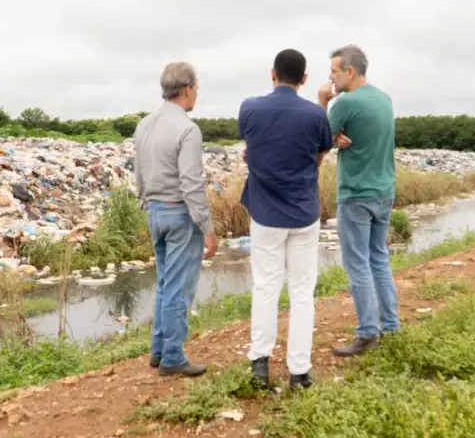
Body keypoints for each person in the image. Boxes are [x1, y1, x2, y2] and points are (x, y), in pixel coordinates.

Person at [239, 49, 333, 389]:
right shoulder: (315, 115)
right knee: (302, 292)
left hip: (265, 214)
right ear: (304, 79)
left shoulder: (250, 107)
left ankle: (260, 364)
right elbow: (319, 156)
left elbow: (252, 146)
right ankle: (299, 372)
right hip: (304, 213)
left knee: (266, 287)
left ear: (272, 73)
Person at [133, 62, 219, 377]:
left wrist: (147, 201)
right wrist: (208, 229)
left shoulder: (144, 125)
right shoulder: (187, 129)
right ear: (186, 89)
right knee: (178, 289)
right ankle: (172, 357)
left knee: (166, 284)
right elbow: (192, 184)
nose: (197, 94)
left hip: (154, 210)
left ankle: (158, 350)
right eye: (196, 88)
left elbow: (138, 172)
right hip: (180, 213)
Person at [317, 45, 399, 357]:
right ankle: (390, 324)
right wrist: (338, 138)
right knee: (379, 258)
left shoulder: (345, 102)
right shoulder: (383, 98)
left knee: (357, 264)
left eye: (334, 71)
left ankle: (367, 333)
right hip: (384, 191)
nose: (331, 77)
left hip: (356, 194)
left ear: (349, 72)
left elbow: (318, 139)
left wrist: (323, 103)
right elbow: (360, 135)